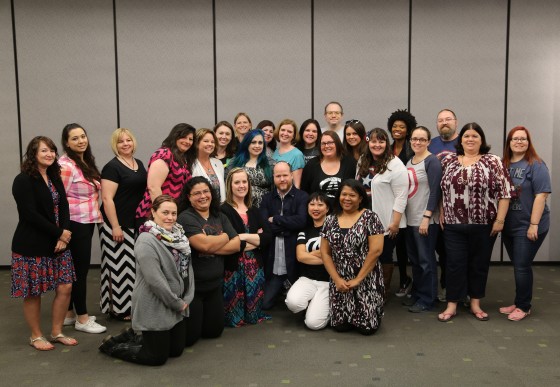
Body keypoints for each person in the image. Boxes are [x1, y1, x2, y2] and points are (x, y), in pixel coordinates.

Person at [99, 195, 194, 366]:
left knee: (176, 351)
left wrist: (187, 297)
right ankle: (111, 346)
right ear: (153, 212)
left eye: (173, 213)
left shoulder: (179, 236)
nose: (170, 217)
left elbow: (188, 270)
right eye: (165, 212)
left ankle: (134, 335)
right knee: (156, 358)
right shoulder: (146, 240)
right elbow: (155, 281)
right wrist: (177, 303)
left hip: (176, 303)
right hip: (155, 304)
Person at [438, 123, 512, 322]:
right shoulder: (449, 161)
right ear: (460, 140)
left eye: (475, 136)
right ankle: (452, 304)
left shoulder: (493, 161)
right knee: (454, 264)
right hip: (453, 224)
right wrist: (443, 210)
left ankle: (475, 303)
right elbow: (441, 189)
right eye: (466, 136)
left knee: (479, 264)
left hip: (485, 224)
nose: (470, 139)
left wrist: (500, 220)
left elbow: (505, 193)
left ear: (482, 140)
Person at [11, 136, 77, 350]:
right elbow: (29, 214)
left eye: (52, 150)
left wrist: (64, 234)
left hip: (59, 242)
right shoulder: (23, 180)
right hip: (32, 243)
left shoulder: (54, 175)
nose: (50, 154)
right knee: (33, 292)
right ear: (33, 154)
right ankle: (36, 335)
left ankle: (57, 331)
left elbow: (65, 206)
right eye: (44, 151)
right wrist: (60, 233)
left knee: (66, 286)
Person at [177, 177, 241, 346]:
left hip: (214, 286)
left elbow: (236, 245)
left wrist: (212, 244)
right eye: (197, 193)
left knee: (214, 332)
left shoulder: (218, 215)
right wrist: (224, 237)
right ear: (189, 197)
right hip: (194, 288)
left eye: (206, 191)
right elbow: (203, 245)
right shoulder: (186, 218)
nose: (202, 196)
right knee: (190, 338)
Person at [59, 123, 107, 334]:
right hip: (75, 223)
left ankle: (69, 314)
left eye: (83, 136)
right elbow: (59, 199)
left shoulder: (83, 161)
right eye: (75, 138)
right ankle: (83, 319)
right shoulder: (66, 166)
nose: (81, 141)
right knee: (79, 271)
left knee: (75, 270)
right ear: (67, 143)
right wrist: (63, 230)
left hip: (87, 220)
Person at [320, 179, 385, 335]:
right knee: (339, 327)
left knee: (367, 329)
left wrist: (358, 280)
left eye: (352, 195)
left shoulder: (371, 218)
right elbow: (325, 253)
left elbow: (375, 251)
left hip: (366, 280)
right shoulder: (330, 219)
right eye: (344, 194)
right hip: (340, 282)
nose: (347, 198)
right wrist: (336, 279)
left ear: (361, 198)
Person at [500, 126, 551, 321]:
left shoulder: (536, 164)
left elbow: (542, 195)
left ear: (528, 142)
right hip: (509, 225)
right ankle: (519, 300)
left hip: (529, 225)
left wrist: (534, 224)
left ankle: (524, 306)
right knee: (518, 264)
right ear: (509, 143)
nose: (519, 142)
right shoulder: (503, 163)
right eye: (515, 139)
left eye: (523, 139)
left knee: (522, 265)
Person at [99, 128, 147, 321]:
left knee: (133, 266)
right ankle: (120, 309)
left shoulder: (139, 163)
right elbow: (107, 198)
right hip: (116, 224)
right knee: (119, 267)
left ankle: (130, 305)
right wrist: (115, 226)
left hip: (134, 223)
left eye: (128, 140)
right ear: (115, 145)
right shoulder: (112, 167)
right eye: (121, 141)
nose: (126, 144)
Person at [356, 128, 408, 303]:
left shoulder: (395, 164)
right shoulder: (363, 160)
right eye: (373, 141)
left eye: (381, 141)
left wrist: (395, 222)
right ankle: (366, 288)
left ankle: (382, 292)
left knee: (384, 255)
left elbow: (402, 195)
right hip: (364, 219)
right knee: (366, 254)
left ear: (386, 144)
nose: (377, 145)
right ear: (368, 143)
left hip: (386, 221)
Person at [220, 168, 272, 326]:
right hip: (233, 267)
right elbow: (229, 241)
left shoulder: (254, 210)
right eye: (237, 182)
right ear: (230, 185)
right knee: (233, 315)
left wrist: (242, 237)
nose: (241, 185)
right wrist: (255, 238)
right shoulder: (223, 210)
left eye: (244, 182)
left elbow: (267, 238)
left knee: (253, 315)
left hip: (254, 268)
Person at [403, 127, 442, 313]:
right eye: (414, 139)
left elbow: (435, 191)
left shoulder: (432, 161)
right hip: (410, 219)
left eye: (422, 139)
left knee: (426, 261)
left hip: (424, 220)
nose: (417, 142)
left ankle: (428, 299)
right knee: (416, 261)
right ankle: (418, 294)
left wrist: (427, 216)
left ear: (428, 142)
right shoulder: (409, 161)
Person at [260, 161, 308, 309]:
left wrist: (276, 219)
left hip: (294, 264)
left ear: (292, 175)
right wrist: (287, 227)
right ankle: (280, 289)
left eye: (285, 175)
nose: (282, 179)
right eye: (278, 176)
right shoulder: (266, 198)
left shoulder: (302, 196)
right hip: (274, 263)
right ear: (273, 178)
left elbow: (301, 221)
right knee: (265, 305)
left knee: (300, 304)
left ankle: (290, 290)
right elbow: (264, 225)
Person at [285, 192, 331, 330]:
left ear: (327, 208)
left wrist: (311, 253)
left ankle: (328, 309)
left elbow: (336, 255)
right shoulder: (304, 231)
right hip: (307, 278)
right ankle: (314, 303)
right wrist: (326, 256)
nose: (315, 208)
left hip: (328, 282)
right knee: (293, 303)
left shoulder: (334, 228)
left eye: (320, 204)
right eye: (312, 204)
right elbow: (301, 257)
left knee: (313, 324)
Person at [428, 108, 460, 302]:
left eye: (448, 119)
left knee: (453, 254)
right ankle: (441, 287)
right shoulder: (431, 145)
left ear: (456, 122)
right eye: (440, 120)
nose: (444, 122)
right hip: (434, 205)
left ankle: (454, 289)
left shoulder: (464, 142)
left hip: (457, 208)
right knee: (437, 248)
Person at [135, 123, 196, 220]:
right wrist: (162, 214)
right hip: (154, 216)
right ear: (175, 136)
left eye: (190, 139)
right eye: (183, 137)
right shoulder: (165, 154)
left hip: (171, 215)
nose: (187, 141)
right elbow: (153, 187)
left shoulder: (182, 158)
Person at [387, 109, 417, 298]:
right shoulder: (388, 148)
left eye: (402, 127)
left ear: (408, 130)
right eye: (394, 126)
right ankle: (402, 278)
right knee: (393, 242)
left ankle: (407, 279)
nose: (397, 129)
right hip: (392, 200)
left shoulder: (412, 149)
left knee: (406, 245)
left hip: (411, 201)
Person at [301, 130, 357, 201]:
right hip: (319, 210)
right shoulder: (312, 165)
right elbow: (304, 192)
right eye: (323, 143)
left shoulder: (349, 163)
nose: (326, 146)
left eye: (330, 143)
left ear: (337, 144)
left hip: (344, 210)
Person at [227, 129, 273, 208]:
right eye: (253, 142)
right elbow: (227, 184)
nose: (257, 146)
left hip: (265, 209)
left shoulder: (270, 163)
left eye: (260, 143)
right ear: (247, 143)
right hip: (240, 208)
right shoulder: (235, 162)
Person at [191, 128, 226, 202]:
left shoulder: (218, 163)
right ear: (197, 143)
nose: (210, 144)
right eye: (206, 141)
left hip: (220, 209)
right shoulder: (190, 164)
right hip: (199, 208)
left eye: (212, 142)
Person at [272, 119, 305, 188]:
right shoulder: (275, 152)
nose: (285, 133)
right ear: (278, 132)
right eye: (283, 130)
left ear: (293, 135)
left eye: (289, 132)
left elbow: (297, 185)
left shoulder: (297, 155)